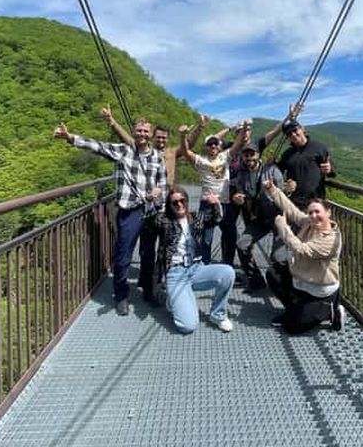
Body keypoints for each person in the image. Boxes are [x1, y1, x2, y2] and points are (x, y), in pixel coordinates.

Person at [53, 118, 166, 316]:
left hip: (151, 212)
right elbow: (98, 146)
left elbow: (163, 185)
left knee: (148, 256)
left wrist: (157, 194)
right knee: (123, 255)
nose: (142, 134)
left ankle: (148, 292)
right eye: (138, 131)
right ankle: (121, 295)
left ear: (150, 134)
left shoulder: (158, 157)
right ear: (133, 131)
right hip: (130, 210)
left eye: (145, 131)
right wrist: (70, 138)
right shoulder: (124, 151)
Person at [100, 106, 207, 302]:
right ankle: (142, 284)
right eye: (158, 137)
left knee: (166, 246)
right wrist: (112, 121)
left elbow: (188, 144)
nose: (161, 140)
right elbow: (126, 136)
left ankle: (158, 282)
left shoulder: (171, 152)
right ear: (152, 137)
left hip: (168, 204)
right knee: (144, 248)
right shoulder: (138, 149)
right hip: (145, 205)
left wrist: (199, 126)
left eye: (164, 138)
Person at [144, 187, 235, 333]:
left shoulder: (196, 217)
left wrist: (216, 203)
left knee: (227, 273)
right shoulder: (164, 220)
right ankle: (174, 298)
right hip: (176, 273)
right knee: (188, 326)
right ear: (170, 205)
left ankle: (218, 314)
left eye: (182, 201)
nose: (179, 204)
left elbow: (216, 219)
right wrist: (150, 199)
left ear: (187, 201)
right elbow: (148, 219)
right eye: (175, 202)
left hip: (196, 268)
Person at [263, 177, 344, 334]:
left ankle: (330, 310)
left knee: (291, 328)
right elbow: (293, 212)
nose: (313, 216)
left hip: (320, 290)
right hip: (302, 280)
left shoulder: (331, 240)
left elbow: (300, 248)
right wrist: (273, 190)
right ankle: (295, 309)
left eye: (317, 212)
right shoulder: (311, 223)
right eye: (310, 212)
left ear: (328, 213)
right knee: (273, 273)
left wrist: (282, 227)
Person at [177, 123, 247, 265]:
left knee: (229, 237)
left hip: (224, 203)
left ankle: (227, 266)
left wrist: (244, 128)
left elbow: (238, 143)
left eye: (215, 144)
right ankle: (204, 266)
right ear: (206, 147)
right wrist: (183, 136)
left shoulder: (225, 156)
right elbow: (185, 151)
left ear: (219, 146)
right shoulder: (200, 161)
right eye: (210, 144)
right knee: (206, 239)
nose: (213, 147)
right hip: (207, 205)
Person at [233, 142, 287, 291]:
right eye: (246, 154)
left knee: (278, 256)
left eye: (252, 154)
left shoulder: (272, 171)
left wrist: (274, 191)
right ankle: (256, 280)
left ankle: (283, 288)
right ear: (243, 157)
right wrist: (238, 198)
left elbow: (284, 194)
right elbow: (239, 192)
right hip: (259, 218)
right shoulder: (242, 174)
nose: (249, 157)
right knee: (242, 244)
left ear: (258, 155)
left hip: (277, 217)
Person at [277, 118, 336, 209]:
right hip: (294, 204)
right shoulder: (287, 154)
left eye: (295, 130)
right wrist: (285, 184)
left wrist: (329, 168)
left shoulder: (319, 148)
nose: (293, 134)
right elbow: (278, 173)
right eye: (289, 134)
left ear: (302, 129)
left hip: (316, 203)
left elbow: (332, 170)